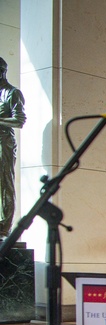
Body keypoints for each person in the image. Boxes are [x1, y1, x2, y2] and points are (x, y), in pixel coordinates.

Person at [0, 56, 26, 238]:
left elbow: (19, 120)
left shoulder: (12, 93)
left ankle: (4, 227)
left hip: (4, 143)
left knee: (5, 184)